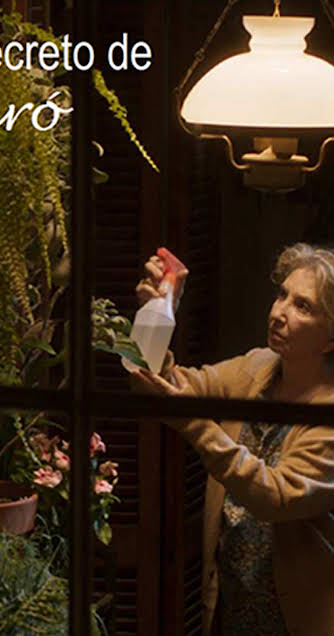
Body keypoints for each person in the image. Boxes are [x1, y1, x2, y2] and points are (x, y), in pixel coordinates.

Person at [131, 243, 334, 636]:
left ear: (330, 339)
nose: (278, 313)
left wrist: (194, 421)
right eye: (282, 295)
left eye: (303, 307)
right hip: (231, 610)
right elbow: (158, 387)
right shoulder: (257, 368)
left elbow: (275, 496)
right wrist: (157, 312)